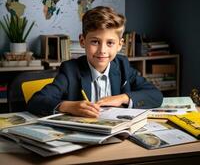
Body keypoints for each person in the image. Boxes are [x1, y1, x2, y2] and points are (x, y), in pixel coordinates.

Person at [27, 6, 163, 117]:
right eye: (95, 42)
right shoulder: (70, 70)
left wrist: (122, 98)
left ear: (120, 45)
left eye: (110, 43)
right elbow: (36, 101)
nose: (102, 50)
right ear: (82, 41)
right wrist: (69, 106)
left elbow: (156, 96)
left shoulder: (123, 66)